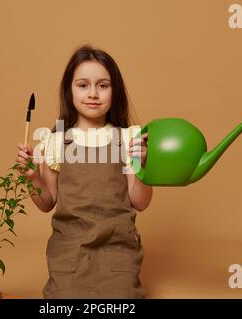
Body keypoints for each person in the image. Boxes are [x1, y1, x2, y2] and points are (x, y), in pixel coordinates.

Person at [16, 45, 152, 298]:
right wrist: (33, 177)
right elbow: (47, 203)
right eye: (83, 85)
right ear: (69, 90)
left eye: (103, 85)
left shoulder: (128, 138)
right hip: (70, 252)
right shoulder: (56, 140)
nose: (93, 94)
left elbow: (140, 202)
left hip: (118, 252)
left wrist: (144, 168)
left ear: (115, 91)